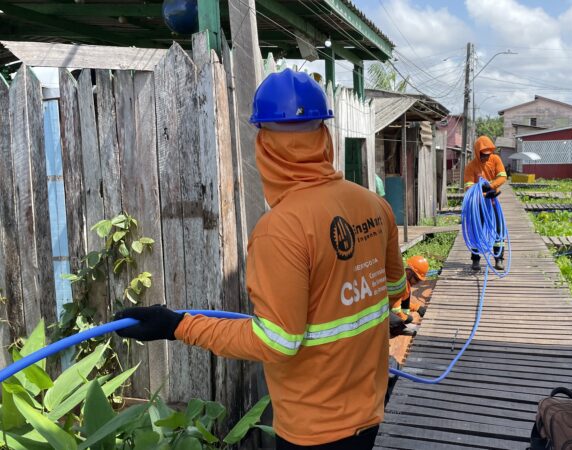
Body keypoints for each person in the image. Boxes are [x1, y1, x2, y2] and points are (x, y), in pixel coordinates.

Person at [114, 69, 408, 450]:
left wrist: (177, 326)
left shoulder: (280, 229)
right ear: (324, 137)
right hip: (369, 411)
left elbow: (279, 341)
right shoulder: (375, 206)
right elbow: (394, 291)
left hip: (314, 427)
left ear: (264, 146)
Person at [463, 135, 507, 271]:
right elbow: (469, 186)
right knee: (477, 228)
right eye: (483, 155)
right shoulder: (471, 166)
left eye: (488, 154)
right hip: (478, 203)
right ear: (478, 153)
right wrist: (483, 193)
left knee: (498, 229)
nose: (486, 157)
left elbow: (502, 176)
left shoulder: (495, 160)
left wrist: (492, 186)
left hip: (493, 200)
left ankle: (498, 259)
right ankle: (475, 260)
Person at [388, 255, 429, 337]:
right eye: (416, 279)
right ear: (409, 273)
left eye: (419, 281)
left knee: (405, 320)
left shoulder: (405, 282)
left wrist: (417, 308)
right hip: (380, 309)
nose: (417, 283)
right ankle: (388, 332)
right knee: (397, 323)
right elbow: (396, 309)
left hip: (387, 306)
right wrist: (405, 319)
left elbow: (403, 300)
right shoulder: (399, 282)